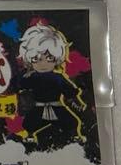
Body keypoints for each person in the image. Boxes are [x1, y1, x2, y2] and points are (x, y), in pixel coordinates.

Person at [17, 22, 84, 150]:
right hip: (38, 108)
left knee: (72, 122)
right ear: (30, 59)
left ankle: (75, 136)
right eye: (36, 59)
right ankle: (30, 136)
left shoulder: (58, 77)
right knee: (29, 123)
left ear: (56, 58)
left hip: (57, 107)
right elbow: (22, 86)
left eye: (49, 58)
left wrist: (76, 102)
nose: (43, 63)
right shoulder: (31, 77)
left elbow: (68, 90)